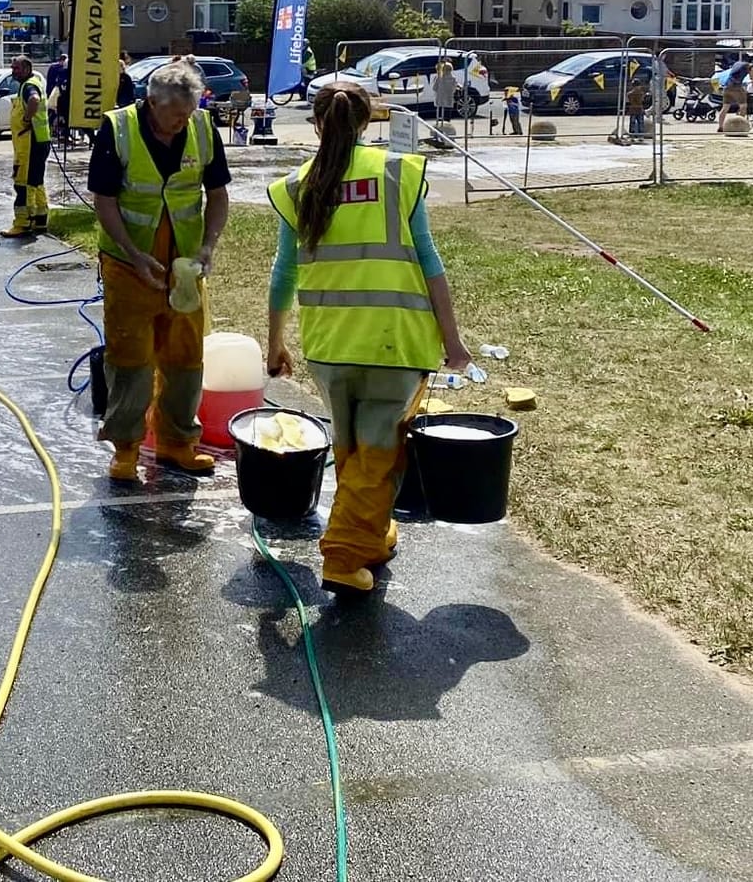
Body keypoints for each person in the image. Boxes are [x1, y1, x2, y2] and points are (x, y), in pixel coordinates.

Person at [265, 83, 471, 594]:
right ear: (366, 123)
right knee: (378, 454)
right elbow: (429, 262)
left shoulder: (297, 186)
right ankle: (341, 555)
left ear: (316, 125)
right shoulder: (398, 173)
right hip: (390, 340)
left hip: (329, 343)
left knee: (353, 447)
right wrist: (454, 340)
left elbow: (282, 272)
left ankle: (371, 537)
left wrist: (275, 343)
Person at [90, 59, 231, 481]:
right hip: (129, 266)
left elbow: (219, 194)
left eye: (186, 115)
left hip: (184, 269)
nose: (180, 124)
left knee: (186, 356)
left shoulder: (203, 128)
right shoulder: (117, 130)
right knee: (130, 357)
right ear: (151, 103)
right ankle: (127, 448)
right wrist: (134, 253)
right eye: (173, 118)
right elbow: (105, 201)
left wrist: (207, 247)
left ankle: (177, 442)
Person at [1, 53, 51, 238]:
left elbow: (34, 100)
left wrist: (26, 118)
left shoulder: (29, 86)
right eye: (12, 67)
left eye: (17, 68)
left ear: (27, 69)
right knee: (37, 182)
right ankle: (40, 220)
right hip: (39, 140)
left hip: (30, 143)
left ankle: (22, 223)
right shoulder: (33, 83)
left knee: (23, 183)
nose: (13, 71)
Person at [719, 58, 752, 132]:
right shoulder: (748, 65)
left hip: (726, 87)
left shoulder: (735, 65)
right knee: (743, 106)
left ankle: (720, 127)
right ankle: (740, 126)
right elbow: (752, 77)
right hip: (736, 87)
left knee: (725, 108)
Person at [624, 64, 650, 141]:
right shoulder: (640, 93)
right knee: (639, 122)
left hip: (634, 109)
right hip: (638, 108)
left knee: (634, 122)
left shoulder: (630, 94)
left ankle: (634, 135)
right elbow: (642, 100)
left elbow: (628, 101)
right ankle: (638, 135)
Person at [431, 60, 459, 127]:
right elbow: (454, 89)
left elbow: (434, 88)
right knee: (447, 118)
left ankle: (439, 129)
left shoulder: (438, 78)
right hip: (449, 100)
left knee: (439, 117)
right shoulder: (453, 79)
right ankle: (447, 129)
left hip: (439, 100)